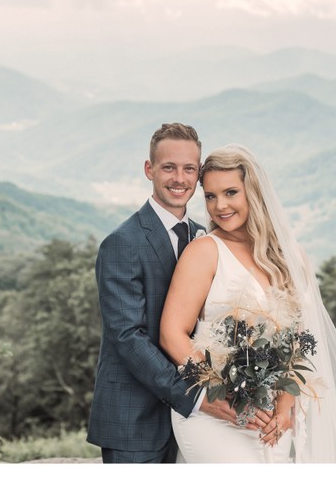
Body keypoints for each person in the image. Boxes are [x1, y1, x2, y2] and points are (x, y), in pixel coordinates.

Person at [161, 144, 336, 463]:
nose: (220, 206)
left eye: (230, 193)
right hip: (213, 414)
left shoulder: (292, 259)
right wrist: (223, 391)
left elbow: (303, 342)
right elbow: (172, 333)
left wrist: (286, 406)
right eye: (210, 196)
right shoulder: (205, 252)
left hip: (271, 417)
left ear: (254, 192)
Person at [87, 124, 266, 463]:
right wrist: (200, 396)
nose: (179, 178)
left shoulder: (203, 238)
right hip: (136, 419)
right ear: (149, 169)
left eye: (189, 169)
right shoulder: (121, 243)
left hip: (196, 423)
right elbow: (128, 337)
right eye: (169, 167)